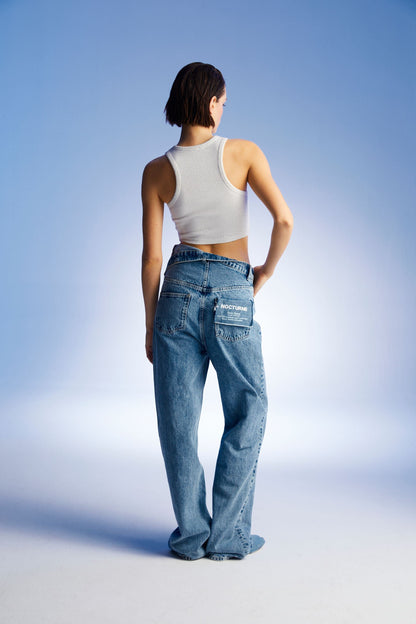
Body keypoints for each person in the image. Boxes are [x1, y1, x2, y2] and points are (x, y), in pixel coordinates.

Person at [141, 62, 293, 561]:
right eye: (223, 102)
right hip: (232, 287)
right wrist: (263, 273)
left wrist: (150, 326)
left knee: (177, 422)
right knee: (248, 408)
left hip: (177, 292)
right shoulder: (243, 152)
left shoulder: (156, 171)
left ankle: (191, 537)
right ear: (210, 102)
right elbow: (284, 221)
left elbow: (151, 260)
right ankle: (228, 536)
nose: (224, 109)